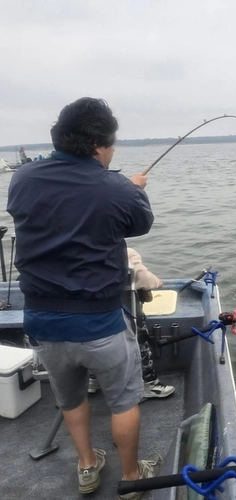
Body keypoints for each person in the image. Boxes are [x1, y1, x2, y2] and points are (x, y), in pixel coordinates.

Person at [7, 97, 161, 499]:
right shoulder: (115, 188)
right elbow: (140, 222)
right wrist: (135, 190)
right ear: (99, 144)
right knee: (125, 401)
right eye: (112, 146)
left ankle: (88, 467)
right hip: (101, 322)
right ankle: (131, 478)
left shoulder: (22, 178)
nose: (112, 153)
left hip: (42, 319)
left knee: (70, 398)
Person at [88, 247, 175, 398]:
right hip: (125, 317)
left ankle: (91, 381)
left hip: (89, 319)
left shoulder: (75, 256)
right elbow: (144, 280)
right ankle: (149, 383)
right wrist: (157, 282)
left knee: (91, 343)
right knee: (140, 341)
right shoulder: (125, 252)